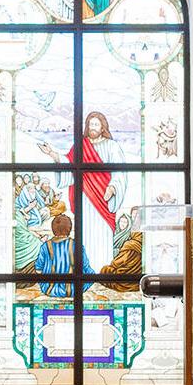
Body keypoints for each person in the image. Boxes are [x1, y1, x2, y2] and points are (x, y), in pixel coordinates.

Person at [38, 111, 127, 273]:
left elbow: (120, 172)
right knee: (85, 231)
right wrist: (53, 154)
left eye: (96, 124)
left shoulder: (112, 146)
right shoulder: (81, 146)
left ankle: (103, 269)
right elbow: (69, 165)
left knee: (102, 232)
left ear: (102, 127)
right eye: (90, 124)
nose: (92, 127)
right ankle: (84, 270)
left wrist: (113, 187)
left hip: (104, 199)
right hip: (85, 198)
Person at [34, 214, 94, 297]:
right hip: (74, 289)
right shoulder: (77, 246)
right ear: (69, 228)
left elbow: (38, 269)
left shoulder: (45, 246)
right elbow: (85, 267)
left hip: (49, 289)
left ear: (53, 229)